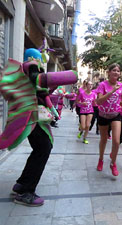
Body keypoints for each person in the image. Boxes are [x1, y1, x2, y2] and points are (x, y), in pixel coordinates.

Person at [0, 48, 77, 206]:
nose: (42, 61)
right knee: (44, 148)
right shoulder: (30, 65)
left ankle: (22, 183)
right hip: (31, 116)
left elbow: (40, 91)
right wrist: (68, 76)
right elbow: (38, 79)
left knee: (41, 149)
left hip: (34, 116)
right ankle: (26, 192)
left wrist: (52, 89)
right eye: (40, 58)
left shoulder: (25, 69)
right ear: (34, 58)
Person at [95, 63, 122, 176]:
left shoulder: (121, 86)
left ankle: (113, 163)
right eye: (114, 70)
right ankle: (101, 159)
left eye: (118, 71)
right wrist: (112, 91)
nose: (116, 72)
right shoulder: (102, 85)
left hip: (116, 115)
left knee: (116, 141)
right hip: (103, 115)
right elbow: (99, 101)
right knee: (104, 140)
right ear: (109, 72)